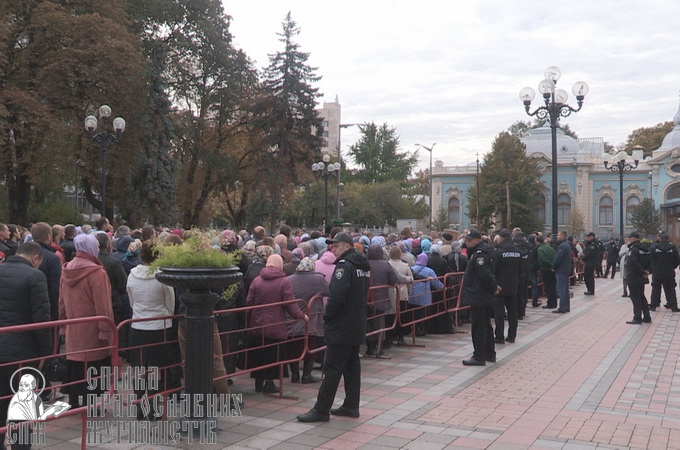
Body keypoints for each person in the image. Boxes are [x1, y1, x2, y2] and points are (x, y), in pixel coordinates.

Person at [297, 232, 371, 422]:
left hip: (342, 325)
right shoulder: (362, 265)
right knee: (352, 368)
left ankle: (321, 410)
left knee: (332, 369)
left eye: (336, 246)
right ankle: (351, 405)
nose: (333, 249)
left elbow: (337, 296)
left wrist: (328, 316)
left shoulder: (344, 267)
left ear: (347, 246)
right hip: (356, 323)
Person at [0, 242, 52, 448]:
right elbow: (42, 319)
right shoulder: (35, 276)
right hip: (22, 352)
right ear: (36, 258)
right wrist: (45, 354)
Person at [59, 234, 114, 407]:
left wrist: (62, 323)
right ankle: (92, 405)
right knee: (94, 366)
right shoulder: (97, 272)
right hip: (93, 328)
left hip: (73, 326)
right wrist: (106, 327)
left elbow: (61, 301)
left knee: (76, 364)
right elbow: (102, 303)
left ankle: (74, 401)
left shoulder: (66, 269)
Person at [126, 242, 179, 419]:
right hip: (159, 326)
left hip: (138, 326)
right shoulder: (163, 276)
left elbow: (131, 300)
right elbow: (170, 303)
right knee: (158, 369)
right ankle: (155, 408)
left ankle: (140, 407)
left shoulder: (132, 275)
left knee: (139, 369)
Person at [247, 254, 307, 394]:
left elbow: (249, 302)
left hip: (257, 324)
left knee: (259, 353)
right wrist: (301, 316)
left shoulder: (256, 280)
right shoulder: (283, 282)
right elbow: (289, 304)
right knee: (273, 354)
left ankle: (258, 383)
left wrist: (248, 322)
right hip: (275, 325)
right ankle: (270, 383)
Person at [286, 257, 329, 383]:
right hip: (311, 319)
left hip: (291, 320)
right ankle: (306, 375)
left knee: (293, 347)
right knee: (311, 346)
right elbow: (329, 291)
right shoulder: (318, 279)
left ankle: (294, 375)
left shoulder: (288, 279)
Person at [461, 229, 500, 366]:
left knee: (479, 327)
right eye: (466, 240)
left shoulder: (479, 254)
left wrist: (494, 287)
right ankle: (489, 353)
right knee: (486, 325)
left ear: (477, 240)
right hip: (482, 294)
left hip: (479, 295)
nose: (467, 242)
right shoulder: (483, 251)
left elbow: (484, 274)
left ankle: (479, 356)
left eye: (469, 240)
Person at [493, 228, 521, 343]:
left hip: (499, 286)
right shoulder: (517, 252)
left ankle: (499, 336)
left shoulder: (498, 251)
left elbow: (494, 269)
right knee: (512, 312)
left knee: (499, 313)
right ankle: (512, 336)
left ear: (501, 237)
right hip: (513, 285)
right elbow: (521, 269)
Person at [624, 232, 652, 324]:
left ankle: (637, 317)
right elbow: (650, 261)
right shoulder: (645, 249)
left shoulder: (633, 249)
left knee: (635, 297)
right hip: (642, 276)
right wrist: (647, 271)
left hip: (634, 276)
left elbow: (633, 263)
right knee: (641, 296)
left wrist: (642, 272)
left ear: (632, 238)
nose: (628, 240)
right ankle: (647, 316)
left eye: (629, 238)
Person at [649, 232, 680, 311]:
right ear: (667, 239)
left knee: (656, 289)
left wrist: (653, 268)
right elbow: (677, 260)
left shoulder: (654, 247)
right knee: (670, 289)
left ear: (660, 239)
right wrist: (672, 267)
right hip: (669, 272)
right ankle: (673, 306)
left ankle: (653, 305)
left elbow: (651, 259)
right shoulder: (672, 248)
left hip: (657, 272)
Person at [552, 231, 572, 314]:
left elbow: (558, 258)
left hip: (561, 270)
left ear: (563, 236)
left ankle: (562, 307)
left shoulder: (562, 246)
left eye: (559, 235)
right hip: (566, 269)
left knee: (561, 289)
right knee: (565, 289)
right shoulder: (567, 245)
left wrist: (553, 266)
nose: (557, 237)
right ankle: (566, 306)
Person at [536, 235, 557, 309]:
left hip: (546, 269)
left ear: (538, 241)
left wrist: (550, 265)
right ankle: (554, 302)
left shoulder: (540, 249)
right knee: (553, 286)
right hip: (553, 269)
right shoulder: (549, 247)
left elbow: (543, 259)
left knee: (548, 286)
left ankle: (550, 303)